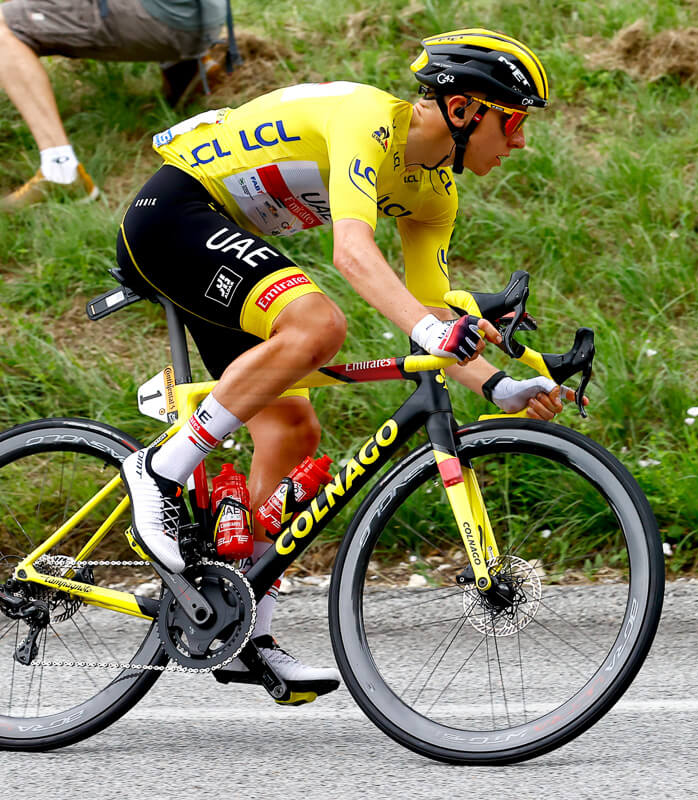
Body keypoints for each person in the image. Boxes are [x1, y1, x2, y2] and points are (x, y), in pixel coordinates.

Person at [116, 29, 579, 701]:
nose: (520, 141)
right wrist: (432, 328)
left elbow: (430, 324)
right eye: (511, 121)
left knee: (292, 433)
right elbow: (354, 256)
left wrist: (501, 386)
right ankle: (158, 470)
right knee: (318, 324)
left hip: (227, 241)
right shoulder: (370, 121)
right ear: (461, 110)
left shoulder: (435, 193)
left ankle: (240, 631)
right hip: (175, 213)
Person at [0, 0, 231, 211]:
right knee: (22, 13)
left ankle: (61, 171)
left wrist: (20, 22)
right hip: (205, 16)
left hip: (167, 23)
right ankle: (187, 67)